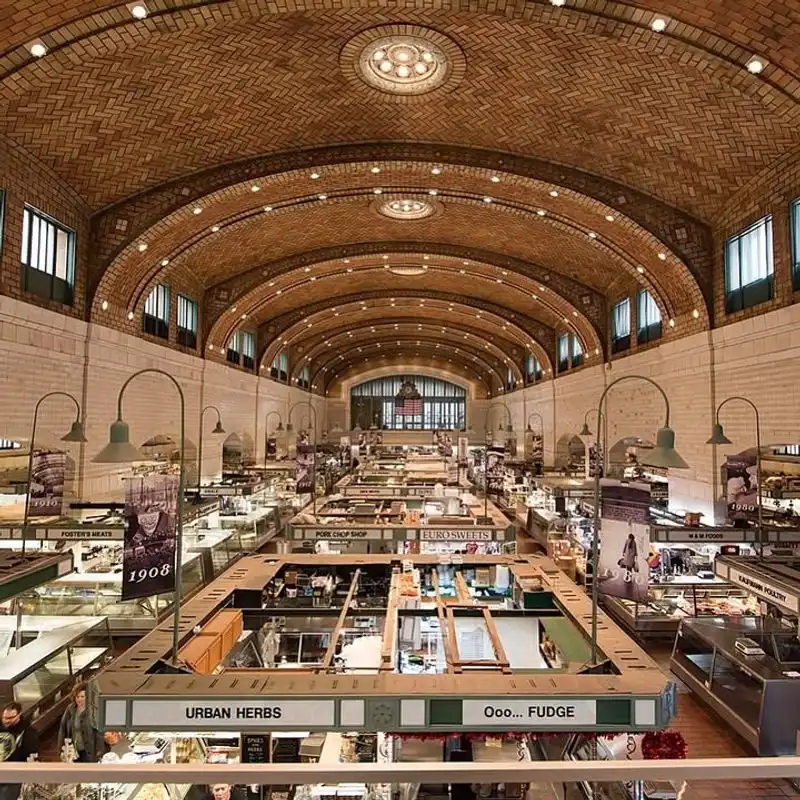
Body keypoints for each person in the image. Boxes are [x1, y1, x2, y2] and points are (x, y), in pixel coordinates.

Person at [0, 701, 40, 800]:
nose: (6, 721)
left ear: (19, 715)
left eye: (10, 718)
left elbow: (32, 755)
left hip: (14, 776)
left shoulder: (28, 733)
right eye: (4, 717)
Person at [58, 682, 104, 762]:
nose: (79, 699)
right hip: (73, 752)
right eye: (77, 696)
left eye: (82, 696)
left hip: (89, 751)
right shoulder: (70, 709)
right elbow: (63, 729)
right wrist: (61, 748)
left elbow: (99, 733)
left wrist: (99, 752)